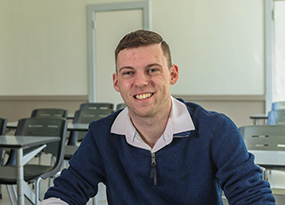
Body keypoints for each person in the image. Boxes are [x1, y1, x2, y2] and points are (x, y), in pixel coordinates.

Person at [42, 30, 275, 204]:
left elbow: (251, 195)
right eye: (128, 73)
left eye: (152, 69)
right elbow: (67, 191)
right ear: (116, 82)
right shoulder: (102, 135)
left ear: (172, 74)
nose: (140, 81)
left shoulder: (216, 129)